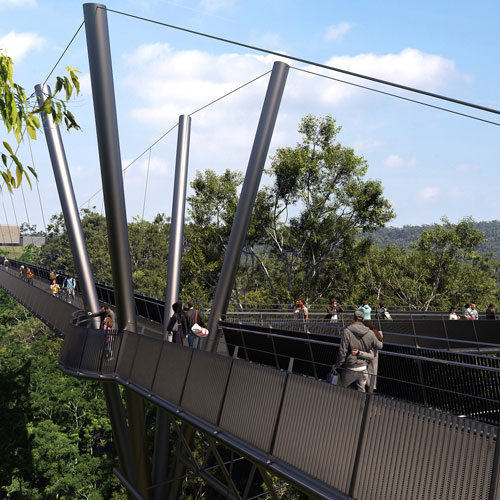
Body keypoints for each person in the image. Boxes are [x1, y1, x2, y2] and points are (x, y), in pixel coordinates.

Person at [331, 310, 383, 392]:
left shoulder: (347, 331)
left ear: (353, 318)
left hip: (350, 367)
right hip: (363, 368)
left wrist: (337, 365)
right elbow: (380, 345)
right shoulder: (369, 332)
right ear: (362, 319)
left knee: (340, 391)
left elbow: (342, 352)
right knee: (361, 394)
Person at [362, 320, 383, 392]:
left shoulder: (365, 334)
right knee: (371, 375)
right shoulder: (377, 333)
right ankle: (370, 392)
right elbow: (380, 345)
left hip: (366, 357)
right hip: (373, 356)